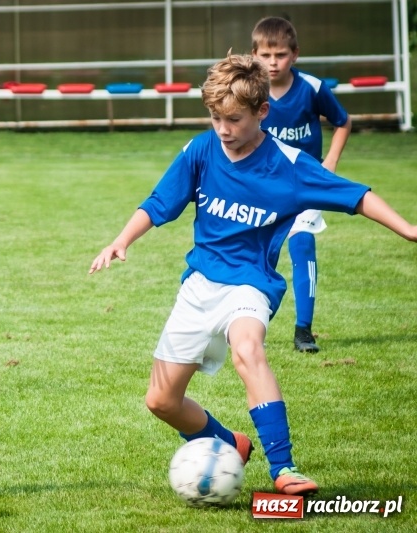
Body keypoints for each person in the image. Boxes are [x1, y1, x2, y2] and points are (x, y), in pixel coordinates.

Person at [88, 54, 416, 496]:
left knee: (248, 348)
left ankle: (284, 469)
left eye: (234, 120)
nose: (223, 129)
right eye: (215, 117)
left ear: (262, 112)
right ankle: (230, 445)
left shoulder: (290, 165)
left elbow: (357, 196)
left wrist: (409, 230)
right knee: (161, 401)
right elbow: (159, 202)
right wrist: (121, 239)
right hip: (200, 284)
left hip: (251, 284)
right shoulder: (203, 149)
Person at [252, 16, 353, 353]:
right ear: (254, 56)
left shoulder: (312, 88)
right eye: (265, 56)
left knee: (302, 245)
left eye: (280, 55)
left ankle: (303, 330)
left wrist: (331, 163)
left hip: (304, 183)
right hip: (263, 186)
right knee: (256, 253)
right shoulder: (251, 91)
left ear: (294, 54)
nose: (272, 62)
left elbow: (342, 121)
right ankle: (247, 324)